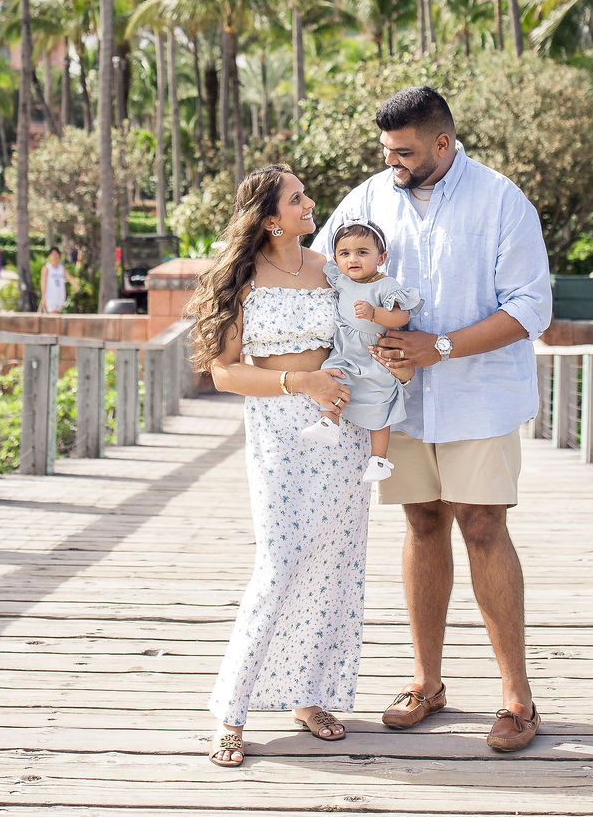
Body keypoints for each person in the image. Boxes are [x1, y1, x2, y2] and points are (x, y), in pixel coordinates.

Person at [311, 85, 552, 755]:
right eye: (386, 149)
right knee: (421, 521)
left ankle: (517, 696)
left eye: (405, 151)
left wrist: (437, 345)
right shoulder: (367, 198)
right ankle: (427, 682)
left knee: (482, 523)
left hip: (481, 395)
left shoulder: (503, 201)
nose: (391, 160)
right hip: (397, 401)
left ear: (443, 143)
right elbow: (321, 271)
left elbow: (530, 307)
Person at [194, 165, 362, 768]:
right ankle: (232, 710)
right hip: (279, 431)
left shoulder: (330, 268)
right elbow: (223, 371)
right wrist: (300, 381)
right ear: (269, 220)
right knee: (282, 560)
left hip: (343, 431)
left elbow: (365, 330)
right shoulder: (243, 281)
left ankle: (310, 696)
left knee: (336, 563)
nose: (309, 203)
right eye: (297, 199)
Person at [303, 220, 419, 483]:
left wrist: (375, 313)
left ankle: (378, 458)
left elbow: (401, 316)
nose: (352, 259)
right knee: (330, 375)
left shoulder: (385, 285)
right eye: (345, 254)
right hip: (346, 351)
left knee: (380, 402)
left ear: (382, 257)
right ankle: (329, 422)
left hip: (374, 354)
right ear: (336, 258)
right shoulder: (342, 281)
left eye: (362, 252)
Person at [40, 247, 68, 314]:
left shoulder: (61, 268)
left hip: (60, 297)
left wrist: (76, 286)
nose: (54, 256)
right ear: (49, 256)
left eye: (56, 254)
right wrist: (43, 297)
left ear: (59, 255)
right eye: (52, 254)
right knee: (53, 317)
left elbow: (69, 277)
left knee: (57, 317)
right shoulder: (46, 268)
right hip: (50, 298)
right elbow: (43, 283)